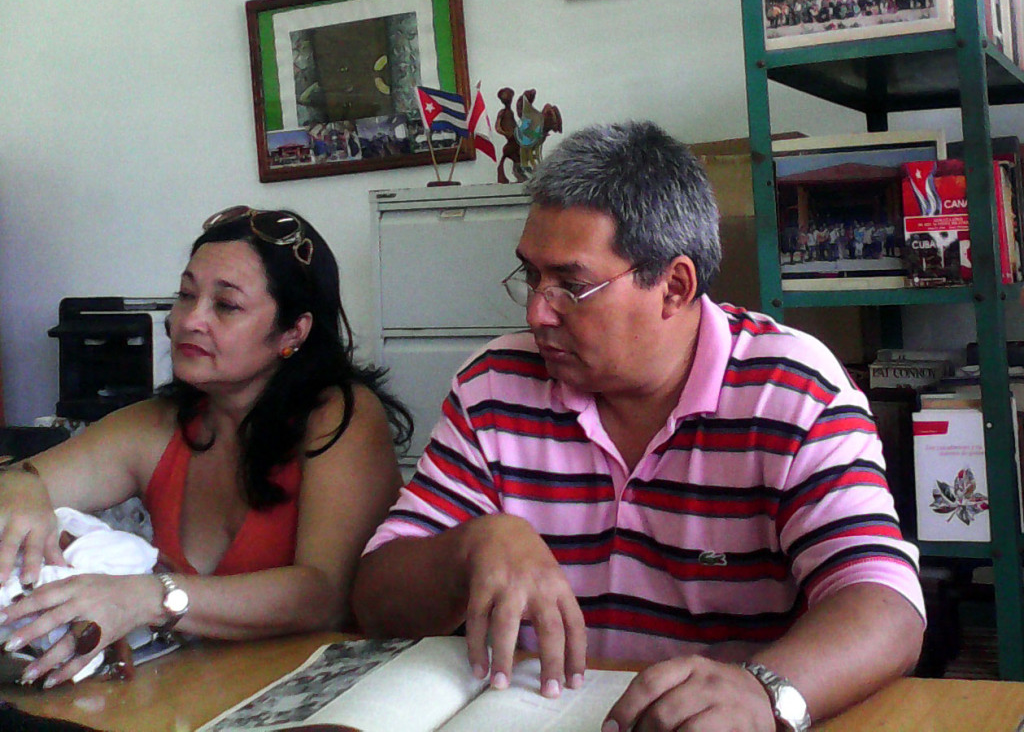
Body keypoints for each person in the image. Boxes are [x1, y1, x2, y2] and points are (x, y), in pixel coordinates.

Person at [353, 121, 925, 732]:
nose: (536, 311)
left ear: (674, 287)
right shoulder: (496, 385)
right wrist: (472, 546)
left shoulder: (792, 389)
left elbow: (883, 602)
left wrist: (764, 692)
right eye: (531, 276)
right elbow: (375, 599)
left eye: (571, 286)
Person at [0, 206, 411, 688]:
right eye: (185, 295)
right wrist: (22, 486)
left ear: (293, 332)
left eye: (226, 306)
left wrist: (149, 598)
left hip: (328, 693)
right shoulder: (157, 425)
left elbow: (324, 594)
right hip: (202, 692)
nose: (188, 320)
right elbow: (21, 480)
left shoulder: (340, 415)